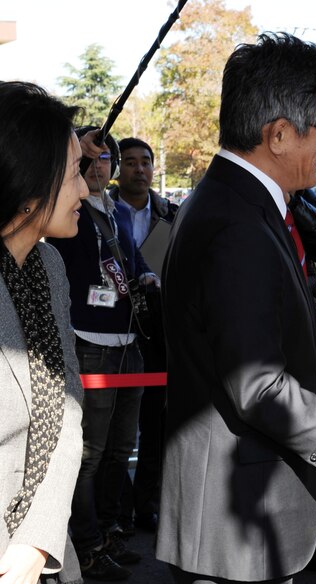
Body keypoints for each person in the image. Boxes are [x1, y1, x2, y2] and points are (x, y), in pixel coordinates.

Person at [156, 32, 316, 584]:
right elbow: (258, 387)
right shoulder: (237, 224)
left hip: (240, 511)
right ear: (278, 134)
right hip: (236, 522)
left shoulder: (238, 203)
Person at [48, 126, 157, 581]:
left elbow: (133, 259)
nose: (99, 165)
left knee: (119, 448)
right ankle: (86, 543)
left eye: (106, 158)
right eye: (89, 158)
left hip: (128, 341)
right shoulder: (66, 209)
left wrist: (147, 275)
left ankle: (110, 529)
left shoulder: (115, 211)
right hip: (88, 340)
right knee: (88, 453)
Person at [0, 81, 86, 584]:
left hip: (37, 550)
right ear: (30, 184)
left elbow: (66, 409)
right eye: (75, 172)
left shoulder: (47, 266)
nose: (86, 190)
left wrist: (36, 542)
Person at [109, 137, 178, 535]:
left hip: (158, 332)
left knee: (155, 423)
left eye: (145, 162)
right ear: (118, 168)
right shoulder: (100, 210)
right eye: (130, 162)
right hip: (111, 329)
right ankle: (115, 509)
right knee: (112, 428)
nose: (139, 169)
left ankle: (146, 504)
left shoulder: (172, 214)